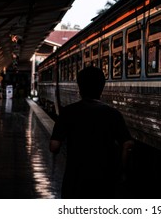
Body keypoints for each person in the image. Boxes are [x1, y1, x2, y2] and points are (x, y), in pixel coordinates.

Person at [50, 66, 133, 198]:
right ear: (102, 88)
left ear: (79, 87)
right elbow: (127, 144)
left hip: (75, 179)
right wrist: (121, 170)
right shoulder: (113, 114)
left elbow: (54, 146)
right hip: (104, 180)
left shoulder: (68, 112)